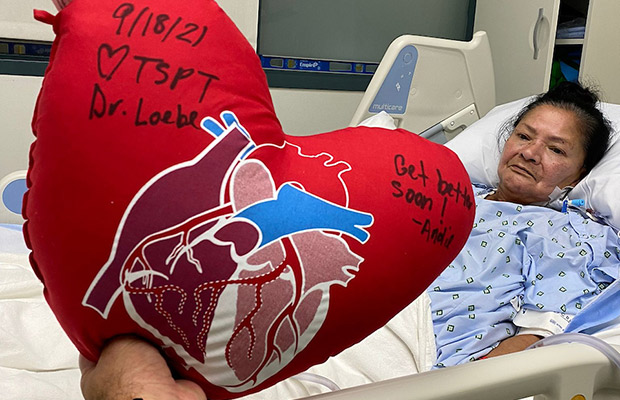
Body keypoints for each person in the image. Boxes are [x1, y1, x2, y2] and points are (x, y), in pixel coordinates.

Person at [79, 81, 615, 399]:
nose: (528, 151)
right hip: (334, 282)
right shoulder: (446, 184)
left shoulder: (568, 233)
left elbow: (537, 337)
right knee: (141, 336)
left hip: (411, 329)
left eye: (555, 149)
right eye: (524, 135)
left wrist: (464, 386)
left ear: (577, 173)